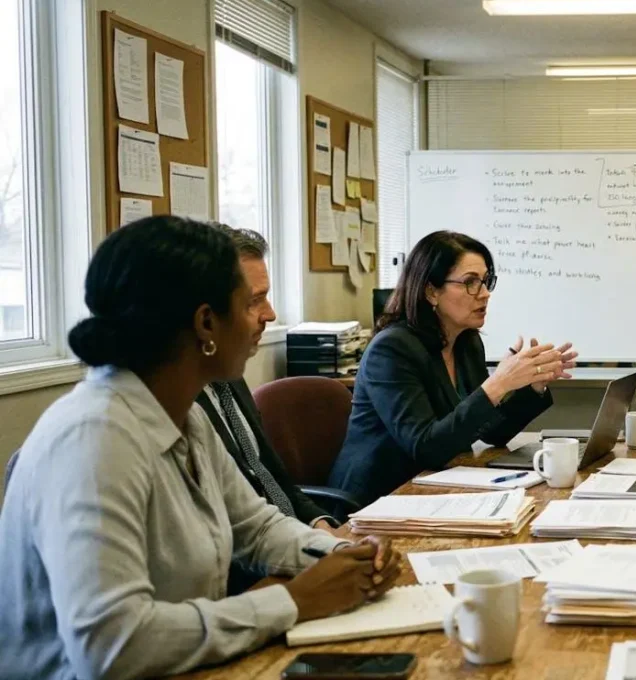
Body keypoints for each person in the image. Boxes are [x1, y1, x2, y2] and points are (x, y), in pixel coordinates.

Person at [0, 216, 402, 679]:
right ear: (206, 323)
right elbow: (111, 646)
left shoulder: (184, 414)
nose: (269, 315)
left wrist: (340, 555)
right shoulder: (94, 440)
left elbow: (254, 526)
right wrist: (290, 602)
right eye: (251, 302)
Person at [329, 231, 577, 504]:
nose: (484, 294)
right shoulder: (391, 350)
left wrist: (533, 386)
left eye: (486, 282)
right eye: (470, 282)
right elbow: (426, 448)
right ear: (431, 291)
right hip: (379, 497)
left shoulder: (466, 343)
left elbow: (493, 432)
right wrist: (498, 384)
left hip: (435, 488)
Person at [197, 225, 340, 532]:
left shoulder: (228, 376)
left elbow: (273, 479)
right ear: (205, 315)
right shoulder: (178, 407)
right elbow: (238, 531)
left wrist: (322, 526)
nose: (271, 314)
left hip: (289, 543)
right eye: (254, 300)